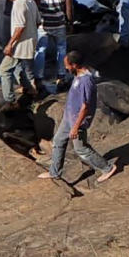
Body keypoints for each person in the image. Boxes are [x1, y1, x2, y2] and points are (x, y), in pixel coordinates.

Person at [42, 50, 119, 183]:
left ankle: (107, 167)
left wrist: (76, 127)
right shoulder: (77, 75)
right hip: (69, 117)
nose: (65, 67)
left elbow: (85, 106)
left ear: (75, 65)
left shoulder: (86, 82)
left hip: (78, 121)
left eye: (67, 65)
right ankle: (54, 172)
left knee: (81, 148)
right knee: (59, 141)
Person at [1, 0, 40, 104]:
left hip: (20, 44)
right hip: (31, 40)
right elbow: (38, 21)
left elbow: (19, 27)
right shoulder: (30, 1)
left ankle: (9, 100)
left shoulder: (18, 4)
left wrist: (10, 44)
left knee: (4, 69)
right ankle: (30, 88)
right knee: (21, 67)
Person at [34, 0, 72, 90]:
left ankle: (38, 77)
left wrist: (36, 21)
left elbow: (36, 6)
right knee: (61, 50)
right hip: (59, 23)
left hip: (44, 24)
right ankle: (61, 76)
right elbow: (68, 7)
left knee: (40, 50)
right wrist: (70, 22)